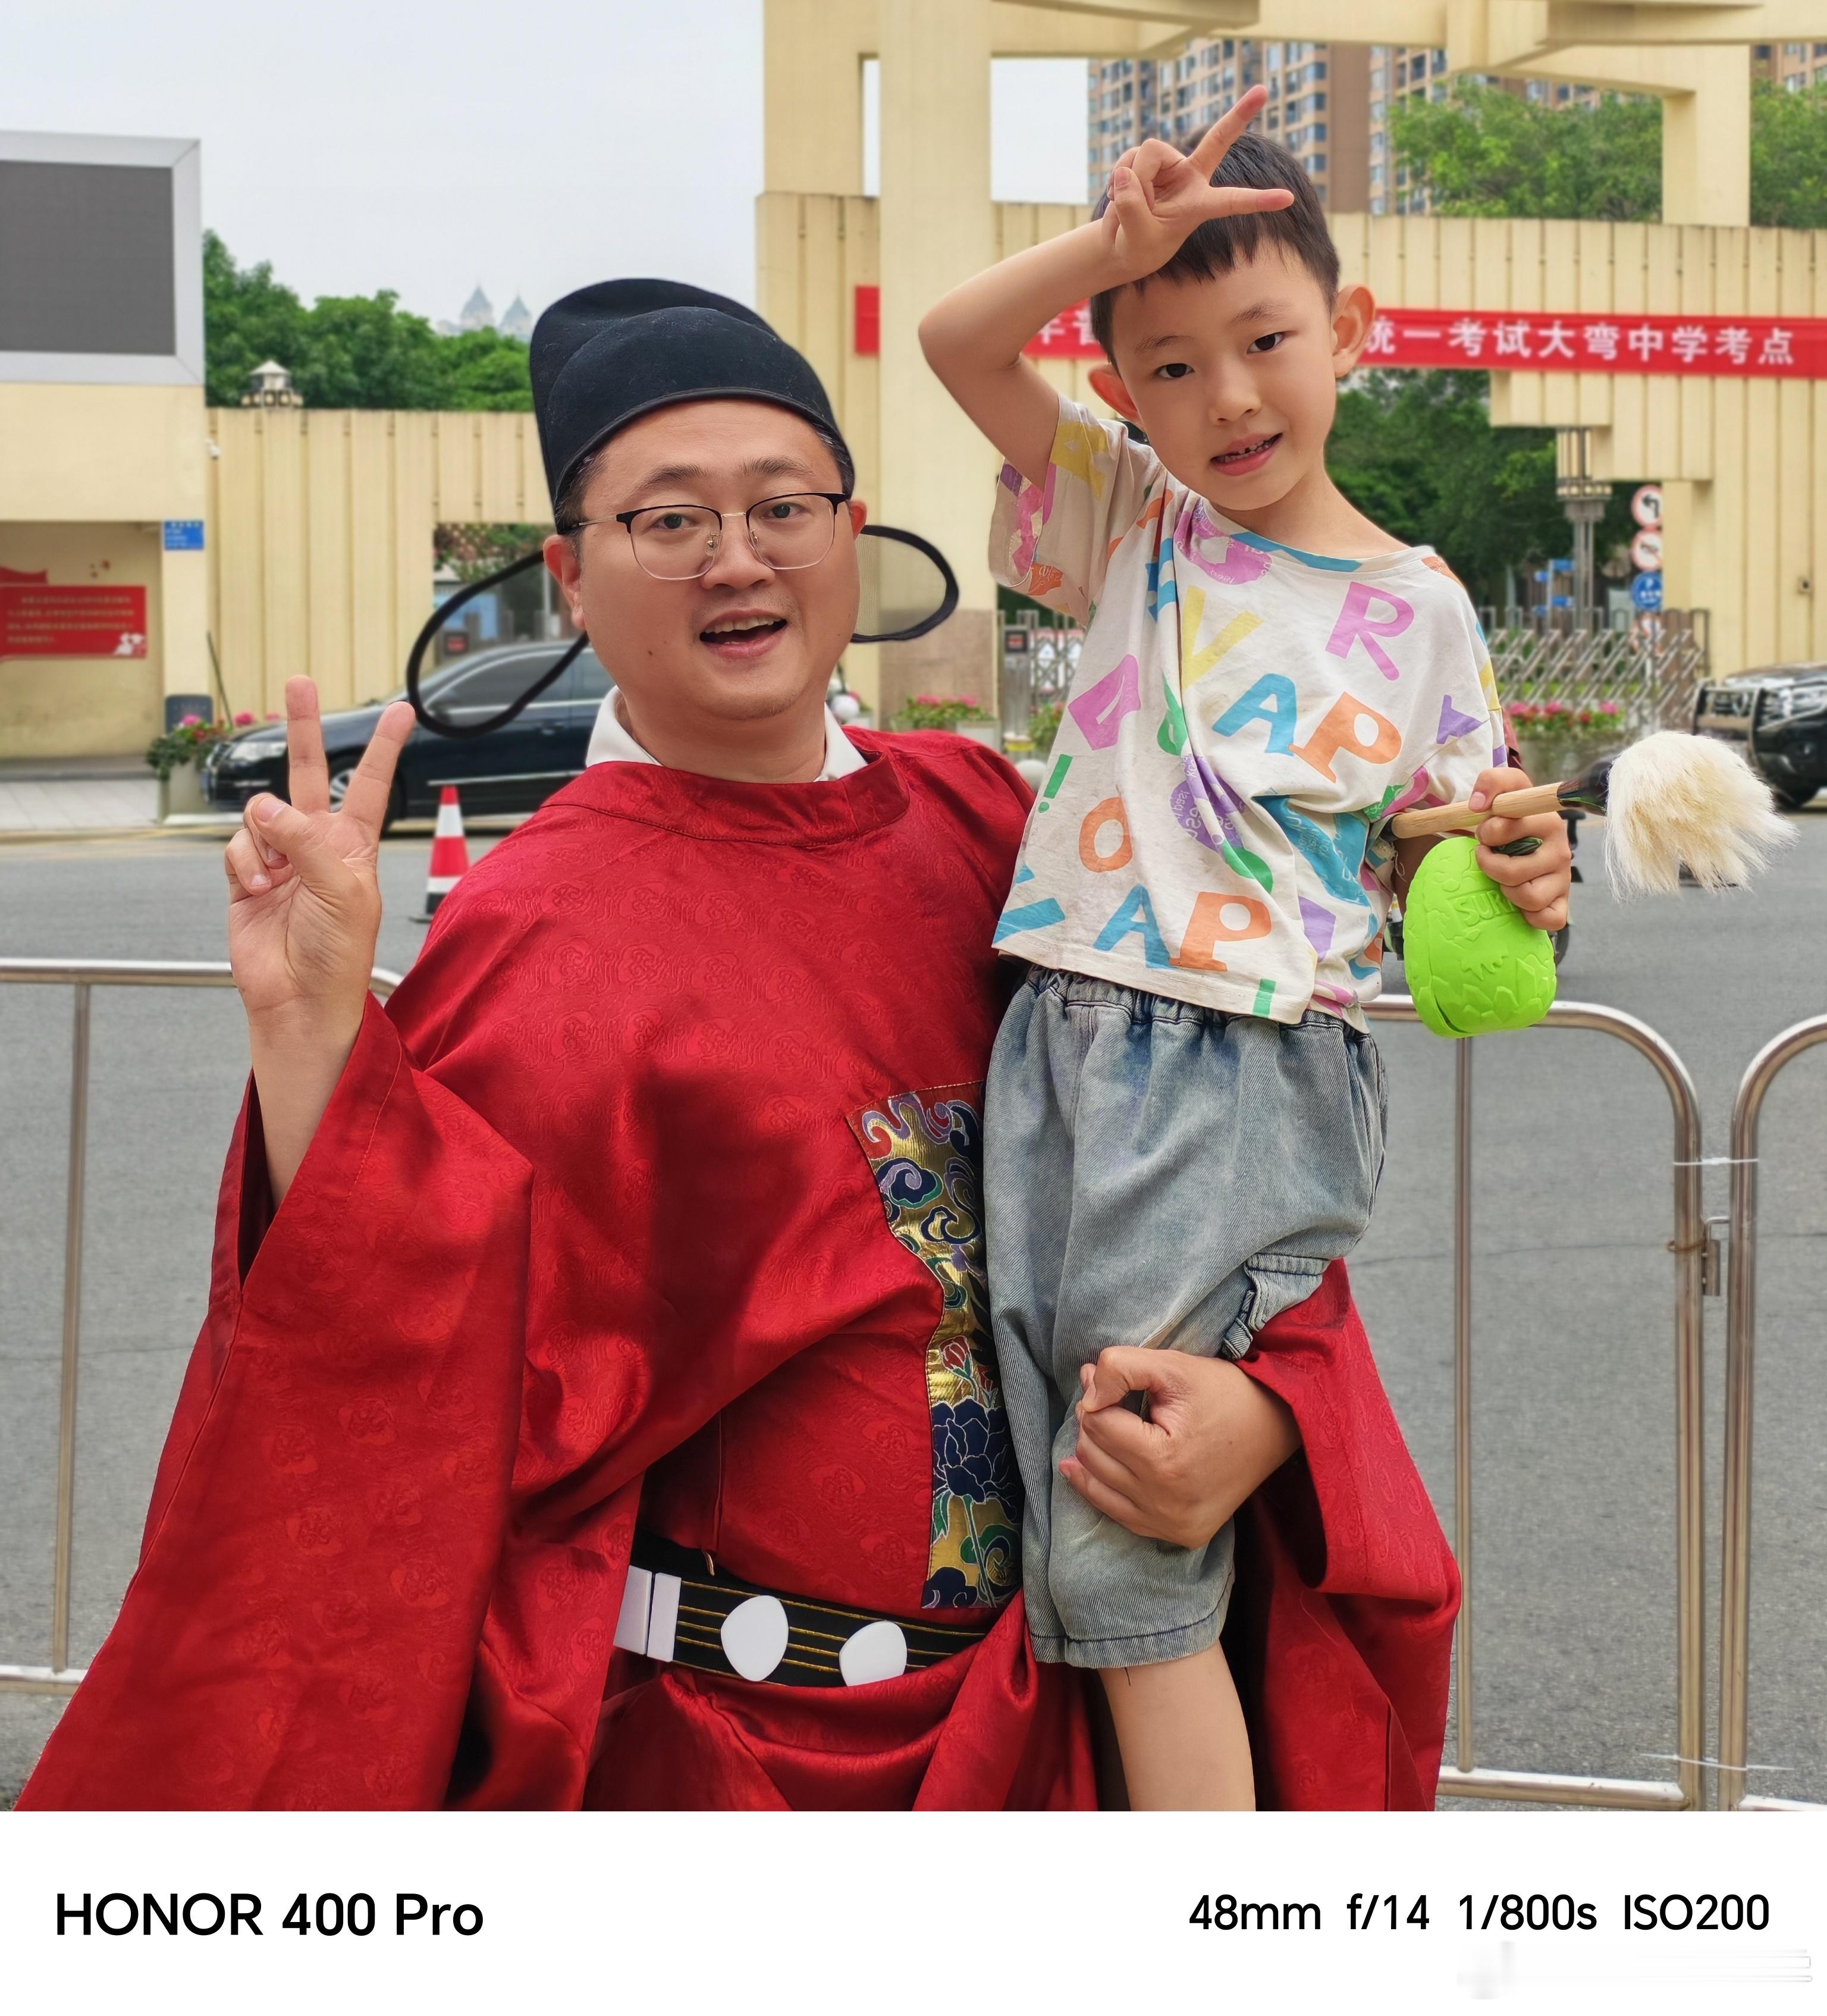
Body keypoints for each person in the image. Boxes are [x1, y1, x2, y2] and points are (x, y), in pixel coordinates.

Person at [23, 277, 1459, 1814]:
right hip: (731, 1757)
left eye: (785, 507)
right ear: (572, 579)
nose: (738, 559)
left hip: (1047, 1726)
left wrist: (1266, 1418)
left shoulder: (1000, 829)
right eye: (669, 521)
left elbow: (1223, 1165)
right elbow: (397, 1328)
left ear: (852, 534)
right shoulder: (540, 925)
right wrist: (314, 1033)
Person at [919, 92, 1572, 1810]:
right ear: (1123, 391)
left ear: (1350, 331)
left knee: (1126, 1543)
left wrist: (1526, 864)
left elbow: (1451, 850)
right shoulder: (1136, 520)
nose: (1227, 396)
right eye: (1171, 365)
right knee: (1056, 1510)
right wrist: (1105, 248)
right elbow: (957, 342)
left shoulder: (1421, 607)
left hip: (1242, 1058)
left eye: (1266, 341)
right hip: (1063, 1034)